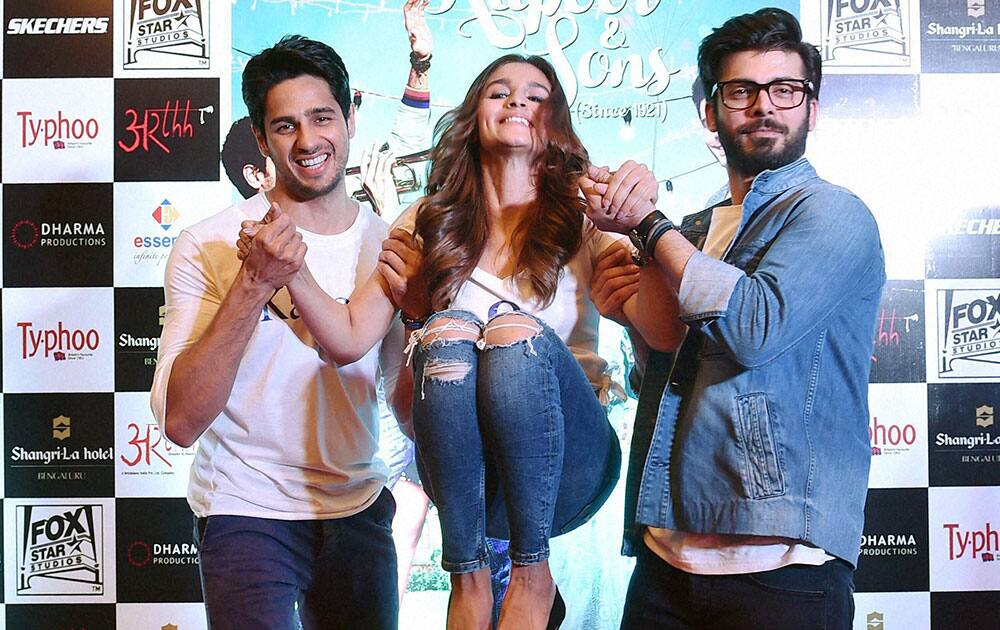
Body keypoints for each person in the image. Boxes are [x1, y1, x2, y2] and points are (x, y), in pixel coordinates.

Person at [238, 53, 678, 630]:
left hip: (567, 464)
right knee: (445, 334)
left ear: (556, 124)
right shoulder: (425, 221)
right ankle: (467, 575)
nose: (517, 101)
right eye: (500, 92)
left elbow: (667, 333)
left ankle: (531, 574)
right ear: (473, 115)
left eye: (536, 94)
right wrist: (290, 272)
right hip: (467, 475)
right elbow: (349, 342)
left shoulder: (587, 218)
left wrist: (645, 232)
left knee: (511, 332)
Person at [583, 8, 885, 629]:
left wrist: (646, 223)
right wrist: (632, 323)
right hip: (665, 560)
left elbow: (754, 327)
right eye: (741, 91)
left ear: (813, 109)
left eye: (785, 90)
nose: (764, 107)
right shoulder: (694, 230)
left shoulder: (835, 214)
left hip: (785, 568)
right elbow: (669, 378)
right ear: (710, 113)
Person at [150, 35, 412, 630]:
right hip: (247, 510)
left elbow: (407, 410)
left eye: (322, 118)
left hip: (359, 506)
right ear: (262, 139)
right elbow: (182, 421)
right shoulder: (210, 242)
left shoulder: (389, 245)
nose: (309, 141)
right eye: (285, 126)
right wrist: (252, 285)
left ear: (350, 119)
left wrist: (422, 319)